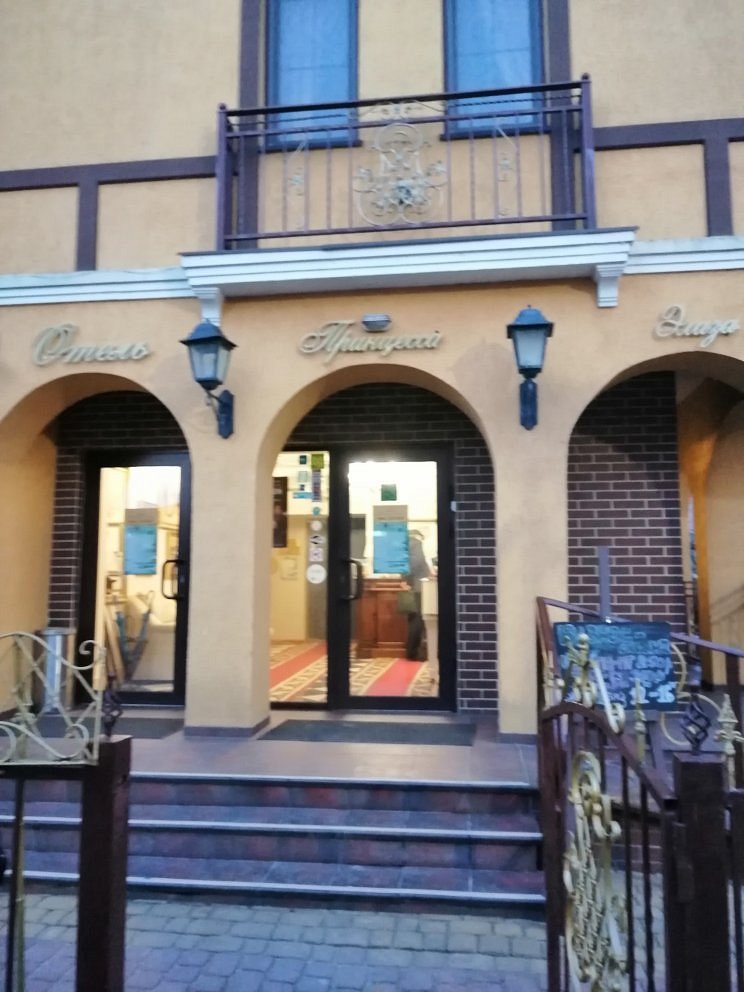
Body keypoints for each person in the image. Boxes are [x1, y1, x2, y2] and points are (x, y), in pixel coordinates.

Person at [402, 529, 432, 661]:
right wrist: (408, 579)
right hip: (419, 586)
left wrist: (405, 579)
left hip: (413, 585)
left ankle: (411, 650)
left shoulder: (405, 545)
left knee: (414, 619)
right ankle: (413, 652)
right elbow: (416, 562)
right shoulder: (415, 543)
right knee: (418, 619)